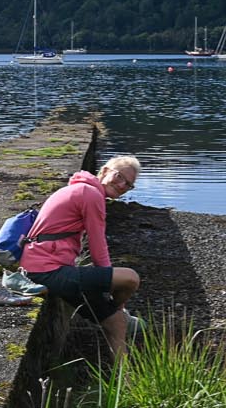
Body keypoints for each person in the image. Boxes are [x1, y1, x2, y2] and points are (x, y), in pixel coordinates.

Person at [22, 152, 143, 360]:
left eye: (128, 184)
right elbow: (98, 246)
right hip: (47, 270)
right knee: (130, 278)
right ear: (104, 171)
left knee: (116, 322)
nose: (122, 185)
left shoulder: (80, 188)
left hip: (47, 267)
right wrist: (110, 287)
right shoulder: (91, 194)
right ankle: (119, 310)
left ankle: (125, 382)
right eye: (119, 177)